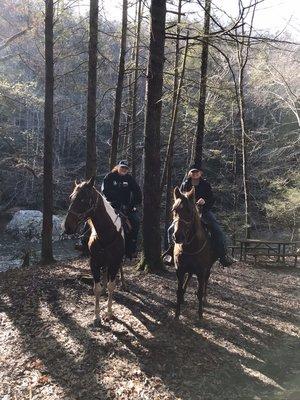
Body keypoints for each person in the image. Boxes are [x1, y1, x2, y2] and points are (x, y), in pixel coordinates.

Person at [164, 165, 235, 268]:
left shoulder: (205, 185)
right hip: (187, 214)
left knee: (218, 231)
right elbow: (180, 200)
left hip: (204, 212)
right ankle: (170, 253)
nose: (195, 174)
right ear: (190, 173)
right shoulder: (185, 184)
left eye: (197, 172)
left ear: (200, 173)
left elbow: (211, 199)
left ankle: (223, 256)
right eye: (193, 172)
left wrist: (204, 201)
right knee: (170, 230)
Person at [102, 160, 142, 259]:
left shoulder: (129, 179)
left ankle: (131, 250)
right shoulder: (110, 177)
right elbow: (105, 191)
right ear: (118, 167)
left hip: (127, 208)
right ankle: (84, 241)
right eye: (122, 167)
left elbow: (137, 192)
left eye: (126, 168)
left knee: (136, 221)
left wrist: (132, 204)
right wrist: (114, 201)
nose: (124, 169)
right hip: (111, 205)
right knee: (94, 215)